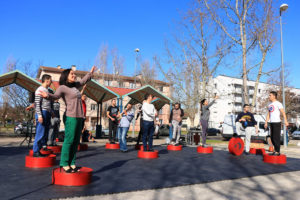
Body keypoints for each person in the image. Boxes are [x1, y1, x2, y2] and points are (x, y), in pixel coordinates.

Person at [39, 66, 95, 173]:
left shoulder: (75, 86)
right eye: (72, 74)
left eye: (74, 74)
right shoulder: (62, 87)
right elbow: (55, 96)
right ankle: (64, 163)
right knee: (69, 140)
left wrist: (90, 73)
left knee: (75, 141)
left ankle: (72, 162)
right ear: (66, 76)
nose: (74, 75)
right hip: (70, 116)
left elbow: (83, 81)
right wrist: (47, 95)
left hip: (79, 117)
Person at [32, 74, 53, 157]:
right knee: (40, 132)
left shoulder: (46, 90)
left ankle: (39, 150)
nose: (51, 82)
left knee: (44, 133)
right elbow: (37, 104)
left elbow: (47, 104)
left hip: (46, 112)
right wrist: (40, 115)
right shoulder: (40, 90)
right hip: (42, 113)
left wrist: (51, 112)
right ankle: (36, 151)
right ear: (47, 80)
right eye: (51, 80)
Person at [264, 91, 289, 156]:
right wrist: (266, 122)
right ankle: (275, 150)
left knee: (276, 137)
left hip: (277, 122)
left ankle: (277, 151)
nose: (269, 96)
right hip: (271, 123)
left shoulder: (278, 103)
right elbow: (268, 114)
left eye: (270, 95)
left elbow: (283, 112)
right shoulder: (269, 104)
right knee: (272, 138)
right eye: (269, 95)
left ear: (274, 96)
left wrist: (285, 121)